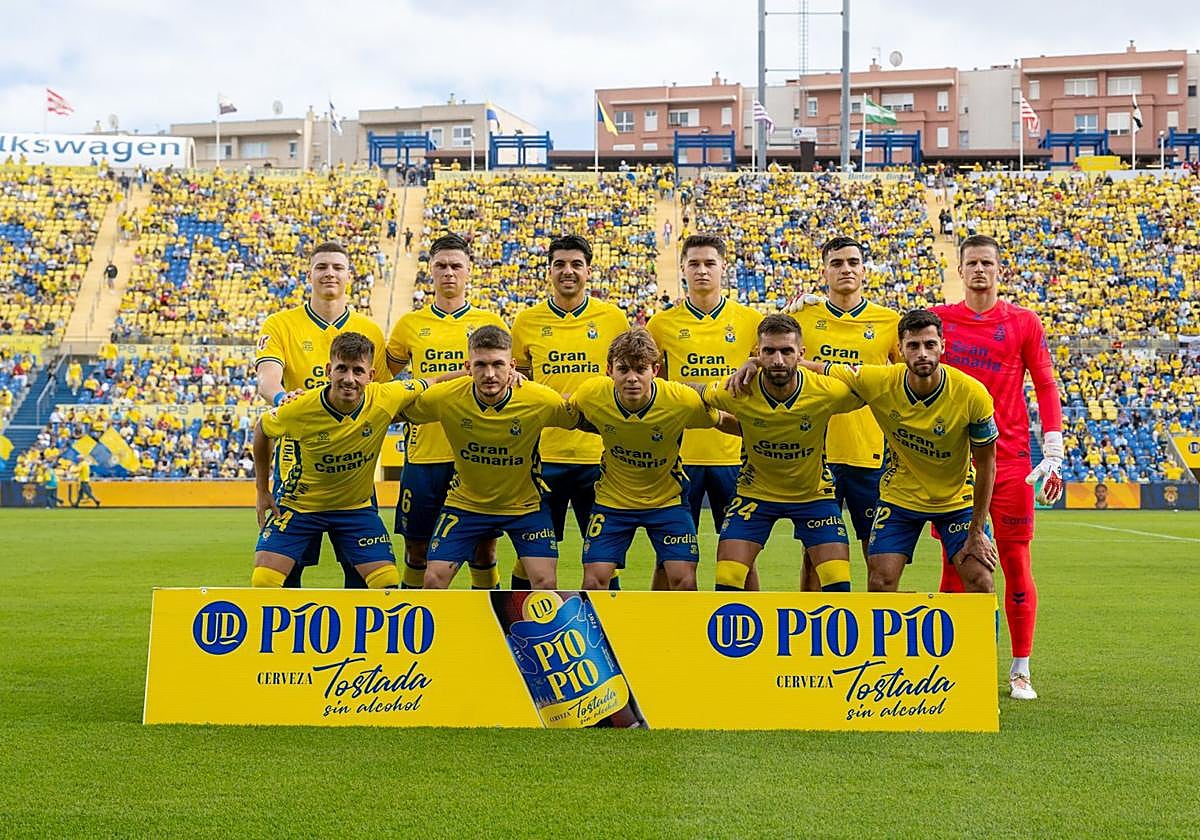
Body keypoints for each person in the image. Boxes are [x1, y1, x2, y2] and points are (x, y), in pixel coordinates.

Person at [932, 233, 1064, 701]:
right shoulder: (940, 321)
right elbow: (888, 342)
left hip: (1010, 461)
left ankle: (1020, 669)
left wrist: (1053, 449)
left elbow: (1046, 384)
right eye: (972, 263)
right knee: (956, 564)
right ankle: (952, 665)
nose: (980, 270)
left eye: (988, 262)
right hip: (955, 464)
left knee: (1014, 560)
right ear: (961, 270)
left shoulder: (1023, 322)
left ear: (999, 270)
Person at [811, 309, 999, 594]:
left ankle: (986, 641)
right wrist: (756, 362)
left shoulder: (972, 394)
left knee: (981, 578)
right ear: (900, 349)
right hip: (900, 498)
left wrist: (977, 531)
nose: (922, 353)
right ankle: (884, 639)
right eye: (913, 346)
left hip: (956, 500)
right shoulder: (880, 380)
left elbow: (987, 464)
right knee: (880, 581)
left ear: (942, 346)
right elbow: (818, 367)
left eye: (930, 345)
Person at [398, 325, 581, 590]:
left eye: (498, 364)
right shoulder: (446, 397)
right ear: (468, 366)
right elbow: (393, 410)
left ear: (513, 366)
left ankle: (521, 631)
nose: (490, 374)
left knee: (545, 581)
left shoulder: (539, 399)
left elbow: (585, 418)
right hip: (466, 504)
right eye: (481, 365)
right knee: (433, 579)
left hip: (525, 506)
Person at [254, 241, 390, 589]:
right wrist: (285, 398)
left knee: (361, 576)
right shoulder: (281, 324)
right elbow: (267, 379)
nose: (329, 273)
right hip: (299, 469)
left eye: (337, 267)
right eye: (322, 267)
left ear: (349, 276)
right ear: (309, 274)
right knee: (283, 576)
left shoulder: (370, 330)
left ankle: (358, 643)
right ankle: (287, 642)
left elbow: (380, 396)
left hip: (353, 471)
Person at [702, 315, 863, 591]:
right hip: (756, 494)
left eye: (787, 351)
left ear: (801, 354)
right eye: (769, 352)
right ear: (757, 353)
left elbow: (876, 386)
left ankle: (818, 633)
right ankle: (747, 633)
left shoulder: (827, 391)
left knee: (838, 582)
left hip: (813, 495)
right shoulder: (738, 390)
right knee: (727, 578)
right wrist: (721, 420)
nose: (778, 360)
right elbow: (693, 393)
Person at [251, 332, 424, 590]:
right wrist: (262, 489)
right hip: (300, 506)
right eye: (342, 369)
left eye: (357, 371)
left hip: (354, 507)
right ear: (329, 370)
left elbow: (433, 381)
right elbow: (262, 430)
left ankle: (361, 631)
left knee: (386, 583)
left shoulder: (386, 396)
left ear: (371, 375)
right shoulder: (299, 407)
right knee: (265, 581)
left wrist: (477, 377)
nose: (349, 379)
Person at [569, 328, 738, 591]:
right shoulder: (592, 393)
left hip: (667, 501)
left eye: (640, 369)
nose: (632, 378)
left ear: (655, 371)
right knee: (594, 580)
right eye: (623, 369)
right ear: (609, 370)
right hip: (613, 502)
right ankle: (607, 631)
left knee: (684, 580)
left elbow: (722, 420)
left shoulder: (680, 400)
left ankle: (678, 632)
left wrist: (763, 433)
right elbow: (563, 409)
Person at [386, 233, 507, 590]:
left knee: (484, 548)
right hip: (425, 454)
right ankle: (415, 620)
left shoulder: (491, 323)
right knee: (416, 547)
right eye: (441, 266)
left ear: (469, 271)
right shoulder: (410, 325)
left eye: (456, 266)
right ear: (430, 271)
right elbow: (385, 383)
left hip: (477, 454)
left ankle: (488, 622)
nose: (449, 273)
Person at [510, 234, 629, 589]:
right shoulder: (526, 321)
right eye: (560, 264)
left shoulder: (613, 318)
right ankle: (519, 626)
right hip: (545, 455)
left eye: (576, 264)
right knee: (530, 558)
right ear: (549, 270)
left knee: (605, 558)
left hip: (599, 456)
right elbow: (520, 380)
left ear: (588, 271)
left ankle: (612, 631)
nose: (568, 271)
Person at [646, 234, 762, 590]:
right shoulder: (661, 325)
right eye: (694, 264)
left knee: (742, 558)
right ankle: (658, 631)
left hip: (734, 454)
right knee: (670, 558)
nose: (701, 271)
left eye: (709, 263)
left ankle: (752, 627)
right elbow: (655, 387)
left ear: (723, 268)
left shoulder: (750, 321)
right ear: (682, 269)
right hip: (681, 456)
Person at [787, 236, 900, 588]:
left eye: (853, 262)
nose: (845, 269)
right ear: (824, 272)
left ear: (864, 270)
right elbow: (769, 353)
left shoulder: (889, 322)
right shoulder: (801, 316)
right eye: (837, 263)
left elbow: (903, 383)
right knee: (814, 556)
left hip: (871, 453)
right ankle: (807, 637)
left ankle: (876, 636)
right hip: (817, 453)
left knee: (879, 557)